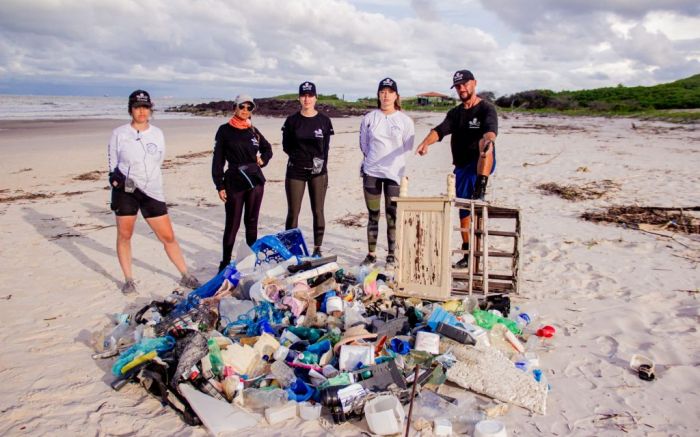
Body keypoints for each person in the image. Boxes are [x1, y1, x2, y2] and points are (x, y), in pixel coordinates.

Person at [108, 90, 200, 294]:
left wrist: (147, 181)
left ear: (150, 109)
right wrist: (120, 182)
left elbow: (158, 161)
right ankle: (128, 279)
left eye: (145, 107)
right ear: (131, 109)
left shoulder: (157, 134)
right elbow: (113, 167)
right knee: (125, 235)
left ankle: (185, 274)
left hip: (152, 192)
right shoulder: (119, 134)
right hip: (126, 192)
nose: (141, 112)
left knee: (168, 236)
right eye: (137, 107)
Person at [415, 70, 498, 268]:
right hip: (461, 167)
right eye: (458, 86)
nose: (462, 89)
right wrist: (426, 143)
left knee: (484, 145)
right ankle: (468, 251)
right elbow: (440, 130)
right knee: (464, 212)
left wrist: (488, 141)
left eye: (465, 85)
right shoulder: (456, 113)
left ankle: (481, 186)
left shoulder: (486, 108)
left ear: (474, 83)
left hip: (480, 163)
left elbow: (490, 131)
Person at [212, 94, 273, 272]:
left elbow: (268, 148)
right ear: (234, 108)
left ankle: (250, 260)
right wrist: (219, 184)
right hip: (234, 180)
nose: (245, 110)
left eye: (249, 107)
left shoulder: (252, 130)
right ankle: (224, 262)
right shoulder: (224, 130)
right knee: (232, 224)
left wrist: (263, 160)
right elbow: (218, 160)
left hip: (255, 180)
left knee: (252, 222)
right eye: (242, 107)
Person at [359, 77, 415, 267]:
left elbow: (407, 146)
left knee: (392, 215)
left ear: (396, 95)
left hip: (394, 174)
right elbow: (364, 145)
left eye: (389, 92)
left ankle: (391, 253)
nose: (386, 95)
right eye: (382, 92)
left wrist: (395, 164)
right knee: (373, 214)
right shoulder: (369, 118)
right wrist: (374, 161)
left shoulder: (405, 120)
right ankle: (371, 254)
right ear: (378, 95)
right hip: (372, 172)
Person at [281, 81, 334, 257]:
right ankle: (291, 249)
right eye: (303, 95)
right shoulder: (292, 121)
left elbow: (325, 148)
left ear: (315, 97)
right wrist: (300, 158)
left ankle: (317, 248)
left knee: (318, 210)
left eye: (310, 95)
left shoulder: (324, 121)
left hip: (318, 172)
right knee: (293, 211)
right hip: (295, 170)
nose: (307, 99)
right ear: (299, 98)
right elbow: (286, 146)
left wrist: (318, 164)